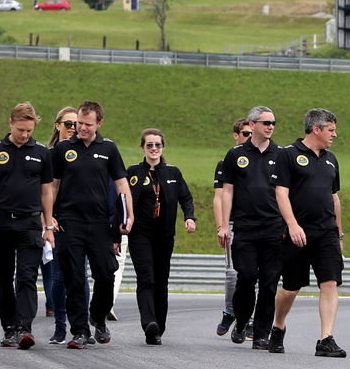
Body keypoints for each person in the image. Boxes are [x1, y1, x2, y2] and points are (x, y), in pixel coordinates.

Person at [50, 100, 133, 349]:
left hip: (99, 224)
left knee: (106, 275)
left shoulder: (109, 148)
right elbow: (51, 186)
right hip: (69, 223)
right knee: (74, 278)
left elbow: (121, 185)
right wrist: (48, 216)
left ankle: (97, 317)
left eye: (87, 124)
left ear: (99, 123)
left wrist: (128, 215)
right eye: (78, 124)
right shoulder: (63, 148)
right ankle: (79, 331)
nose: (81, 129)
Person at [0, 102, 54, 349]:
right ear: (10, 123)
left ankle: (24, 329)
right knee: (4, 279)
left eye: (29, 130)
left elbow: (47, 191)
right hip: (1, 222)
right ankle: (9, 328)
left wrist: (48, 226)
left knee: (28, 277)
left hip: (30, 223)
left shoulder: (42, 152)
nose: (24, 134)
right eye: (20, 129)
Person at [268, 108, 345, 357]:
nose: (335, 134)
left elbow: (334, 198)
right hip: (296, 232)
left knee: (330, 283)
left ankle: (326, 339)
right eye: (331, 130)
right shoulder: (288, 155)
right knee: (290, 288)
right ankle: (278, 327)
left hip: (327, 232)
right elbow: (281, 192)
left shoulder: (331, 159)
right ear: (316, 129)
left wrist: (339, 233)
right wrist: (292, 225)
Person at [216, 106, 282, 350]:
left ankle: (262, 332)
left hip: (274, 227)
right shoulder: (235, 155)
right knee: (246, 277)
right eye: (266, 123)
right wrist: (224, 225)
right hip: (245, 226)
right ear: (252, 125)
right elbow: (227, 191)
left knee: (269, 282)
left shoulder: (281, 154)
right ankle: (242, 321)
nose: (271, 127)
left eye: (273, 123)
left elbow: (286, 192)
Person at [126, 129, 197, 345]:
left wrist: (189, 217)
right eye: (150, 145)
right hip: (140, 234)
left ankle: (158, 328)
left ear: (162, 147)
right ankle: (148, 322)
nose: (154, 149)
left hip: (164, 235)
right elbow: (122, 201)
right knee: (146, 277)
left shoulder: (173, 173)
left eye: (158, 145)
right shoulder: (134, 172)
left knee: (160, 282)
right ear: (143, 148)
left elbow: (186, 198)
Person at [44, 107, 85, 345]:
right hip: (54, 222)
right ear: (57, 125)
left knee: (81, 275)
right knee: (57, 276)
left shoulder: (88, 150)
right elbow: (43, 190)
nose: (72, 127)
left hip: (81, 223)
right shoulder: (47, 153)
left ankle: (82, 327)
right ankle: (60, 326)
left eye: (75, 123)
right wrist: (47, 218)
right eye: (68, 123)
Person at [213, 118, 252, 337]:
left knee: (253, 273)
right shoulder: (226, 161)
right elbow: (218, 197)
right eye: (245, 134)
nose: (248, 137)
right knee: (232, 273)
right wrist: (222, 226)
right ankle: (230, 310)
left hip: (255, 223)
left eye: (250, 133)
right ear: (236, 135)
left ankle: (250, 318)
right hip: (233, 222)